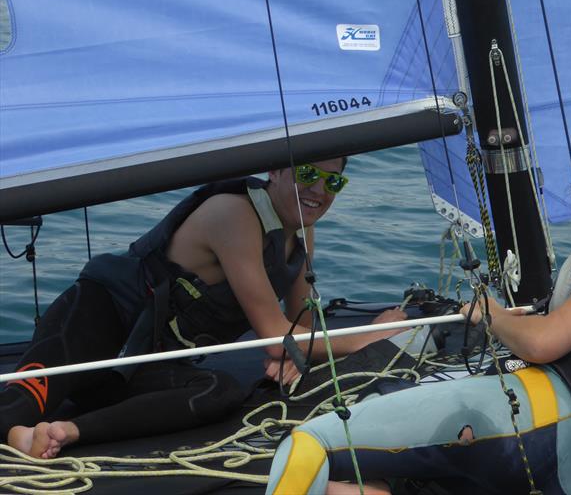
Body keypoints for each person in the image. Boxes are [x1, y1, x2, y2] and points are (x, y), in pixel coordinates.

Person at [265, 127, 571, 495]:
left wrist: (489, 314)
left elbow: (544, 343)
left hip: (538, 433)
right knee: (372, 468)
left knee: (309, 446)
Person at [0, 158, 407, 460]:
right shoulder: (234, 214)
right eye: (306, 174)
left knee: (218, 391)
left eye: (332, 180)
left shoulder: (301, 231)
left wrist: (298, 358)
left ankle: (63, 432)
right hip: (94, 324)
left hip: (141, 361)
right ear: (276, 172)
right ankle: (18, 428)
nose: (319, 189)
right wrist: (375, 333)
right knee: (17, 406)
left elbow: (299, 323)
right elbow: (276, 337)